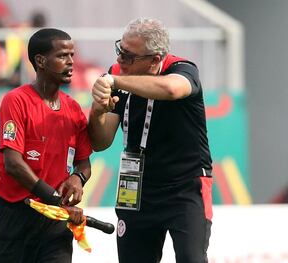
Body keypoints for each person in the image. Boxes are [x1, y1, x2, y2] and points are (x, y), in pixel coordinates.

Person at [88, 18, 213, 263]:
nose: (120, 61)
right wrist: (98, 111)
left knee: (192, 259)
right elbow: (100, 142)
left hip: (184, 187)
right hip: (137, 188)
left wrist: (115, 81)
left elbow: (171, 90)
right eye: (119, 51)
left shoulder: (183, 69)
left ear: (155, 59)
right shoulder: (116, 74)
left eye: (129, 56)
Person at [0, 28, 92, 263]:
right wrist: (55, 198)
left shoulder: (74, 109)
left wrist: (78, 178)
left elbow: (84, 162)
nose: (70, 62)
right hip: (15, 217)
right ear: (40, 61)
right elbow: (13, 164)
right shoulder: (16, 101)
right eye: (62, 56)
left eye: (72, 56)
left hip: (55, 222)